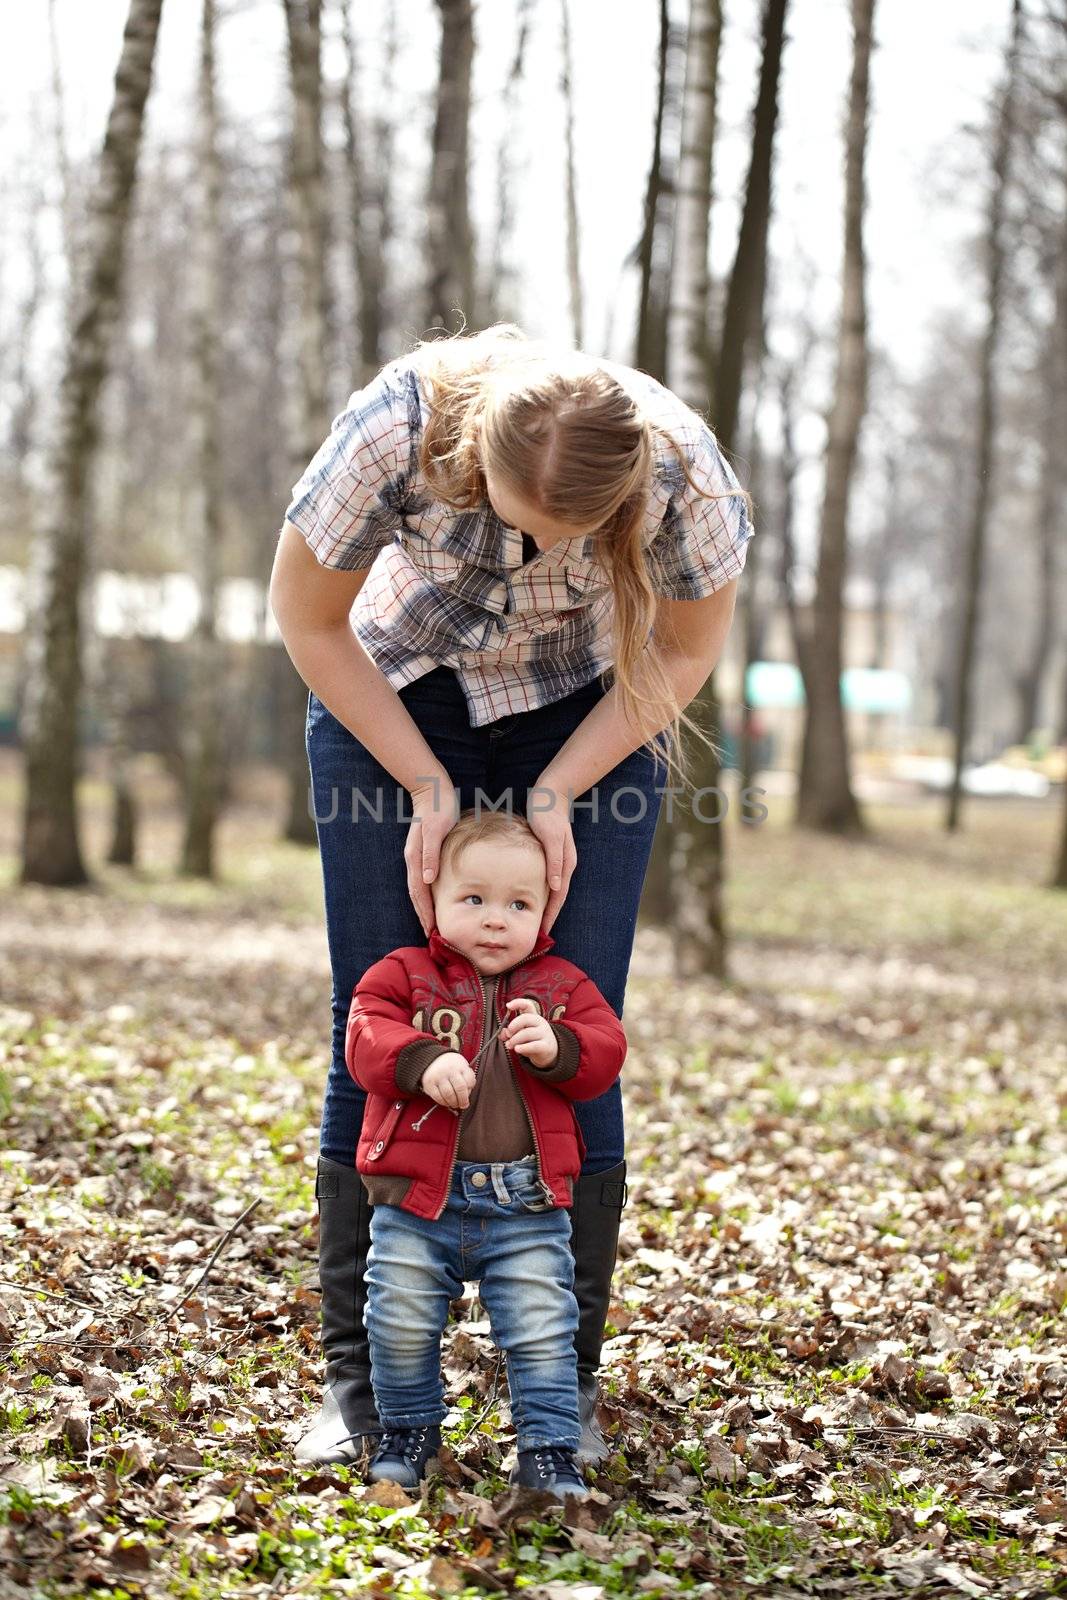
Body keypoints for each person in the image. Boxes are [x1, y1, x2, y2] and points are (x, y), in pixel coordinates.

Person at [269, 322, 752, 1468]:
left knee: (572, 1020)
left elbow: (683, 654)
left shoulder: (683, 474)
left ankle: (560, 1384)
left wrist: (558, 790)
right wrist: (426, 784)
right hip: (394, 690)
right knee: (377, 1016)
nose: (539, 543)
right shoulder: (392, 424)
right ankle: (365, 1390)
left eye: (569, 532)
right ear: (472, 454)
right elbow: (307, 617)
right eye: (517, 514)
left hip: (590, 706)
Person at [347, 808, 626, 1497]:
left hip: (526, 1200)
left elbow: (605, 1054)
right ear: (432, 900)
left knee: (540, 1326)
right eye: (473, 900)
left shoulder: (562, 987)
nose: (495, 919)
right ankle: (408, 1429)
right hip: (417, 1200)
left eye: (517, 904)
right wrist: (417, 1059)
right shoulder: (403, 975)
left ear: (543, 911)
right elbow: (361, 1034)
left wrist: (559, 1048)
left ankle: (548, 1447)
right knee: (399, 1316)